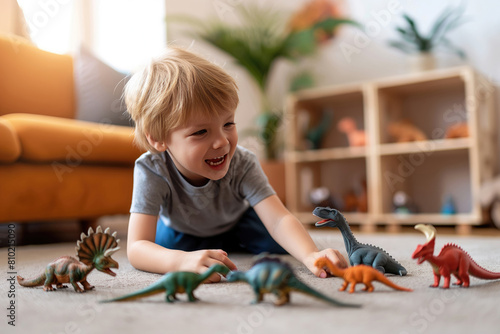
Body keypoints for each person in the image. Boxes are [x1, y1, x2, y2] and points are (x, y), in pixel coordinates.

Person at [124, 46, 347, 282]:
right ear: (158, 139)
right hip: (182, 232)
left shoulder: (242, 162)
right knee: (162, 249)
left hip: (241, 224)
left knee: (286, 243)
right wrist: (180, 261)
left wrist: (311, 255)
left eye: (228, 124)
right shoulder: (152, 169)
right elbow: (137, 246)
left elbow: (279, 219)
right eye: (201, 132)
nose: (222, 142)